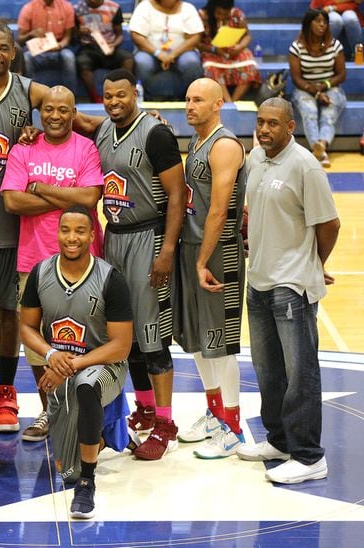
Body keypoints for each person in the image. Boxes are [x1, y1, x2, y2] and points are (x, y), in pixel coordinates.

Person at [0, 21, 108, 437]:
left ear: (13, 52)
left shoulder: (29, 89)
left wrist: (136, 122)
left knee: (13, 315)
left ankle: (7, 391)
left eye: (3, 48)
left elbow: (72, 116)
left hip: (19, 235)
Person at [238, 97, 340, 485]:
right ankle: (279, 441)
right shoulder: (255, 159)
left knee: (301, 373)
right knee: (268, 370)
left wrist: (313, 263)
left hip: (291, 285)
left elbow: (329, 224)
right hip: (259, 279)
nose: (264, 130)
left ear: (290, 126)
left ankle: (310, 455)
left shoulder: (305, 166)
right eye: (260, 123)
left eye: (273, 124)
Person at [0, 85, 104, 441]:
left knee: (86, 337)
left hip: (84, 261)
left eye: (63, 110)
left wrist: (41, 189)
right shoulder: (24, 148)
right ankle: (50, 411)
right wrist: (66, 202)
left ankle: (89, 412)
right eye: (48, 110)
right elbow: (13, 202)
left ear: (73, 113)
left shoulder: (86, 147)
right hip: (34, 259)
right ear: (38, 113)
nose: (55, 116)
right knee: (36, 340)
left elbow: (90, 197)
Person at [95, 69, 186, 461]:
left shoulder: (156, 134)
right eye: (107, 96)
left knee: (152, 338)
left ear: (136, 93)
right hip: (115, 236)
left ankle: (165, 424)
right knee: (125, 333)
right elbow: (70, 117)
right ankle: (145, 409)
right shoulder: (102, 130)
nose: (114, 102)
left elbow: (178, 195)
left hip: (149, 238)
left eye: (121, 95)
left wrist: (166, 251)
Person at [19, 206, 132, 518]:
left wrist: (75, 364)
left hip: (104, 366)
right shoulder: (40, 273)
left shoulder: (111, 278)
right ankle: (106, 430)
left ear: (92, 235)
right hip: (60, 366)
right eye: (65, 230)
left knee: (86, 385)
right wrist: (52, 355)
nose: (72, 238)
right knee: (64, 468)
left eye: (80, 231)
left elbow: (121, 346)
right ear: (57, 233)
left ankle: (87, 483)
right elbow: (26, 327)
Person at [175, 78, 246, 459]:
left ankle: (233, 427)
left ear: (218, 104)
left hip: (218, 253)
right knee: (198, 339)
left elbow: (219, 210)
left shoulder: (224, 145)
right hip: (192, 247)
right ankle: (215, 413)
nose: (190, 106)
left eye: (198, 100)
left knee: (220, 341)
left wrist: (203, 259)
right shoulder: (196, 142)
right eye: (187, 99)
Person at [289, 8, 347, 168]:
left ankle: (319, 147)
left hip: (330, 87)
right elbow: (296, 78)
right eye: (318, 21)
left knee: (329, 112)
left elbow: (341, 75)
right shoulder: (297, 47)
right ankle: (320, 149)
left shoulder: (335, 45)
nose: (322, 25)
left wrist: (323, 86)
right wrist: (315, 91)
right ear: (308, 24)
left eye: (325, 22)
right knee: (309, 111)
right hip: (305, 87)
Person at [130, 0, 204, 100]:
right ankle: (151, 98)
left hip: (181, 53)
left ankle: (187, 98)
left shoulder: (188, 8)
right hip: (150, 53)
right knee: (142, 62)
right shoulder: (144, 6)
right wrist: (158, 54)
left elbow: (196, 36)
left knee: (191, 62)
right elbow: (136, 35)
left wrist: (172, 55)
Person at [197, 0, 260, 103]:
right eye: (218, 13)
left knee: (251, 66)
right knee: (210, 68)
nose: (221, 17)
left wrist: (240, 46)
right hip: (211, 51)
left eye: (225, 14)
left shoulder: (236, 14)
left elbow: (247, 35)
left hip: (233, 50)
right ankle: (227, 101)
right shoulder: (202, 16)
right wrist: (213, 49)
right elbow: (196, 43)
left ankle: (234, 101)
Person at [73, 0, 134, 103]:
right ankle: (95, 99)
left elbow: (119, 34)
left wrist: (113, 45)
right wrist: (79, 32)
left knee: (128, 59)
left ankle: (125, 95)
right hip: (89, 48)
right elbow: (72, 34)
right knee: (81, 63)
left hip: (109, 45)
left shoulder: (114, 7)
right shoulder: (77, 9)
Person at [17, 0, 78, 92]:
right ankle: (30, 95)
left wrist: (60, 45)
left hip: (58, 50)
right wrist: (31, 34)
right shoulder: (29, 8)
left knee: (68, 56)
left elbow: (67, 37)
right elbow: (20, 39)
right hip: (36, 51)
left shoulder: (66, 7)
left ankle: (71, 95)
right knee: (26, 58)